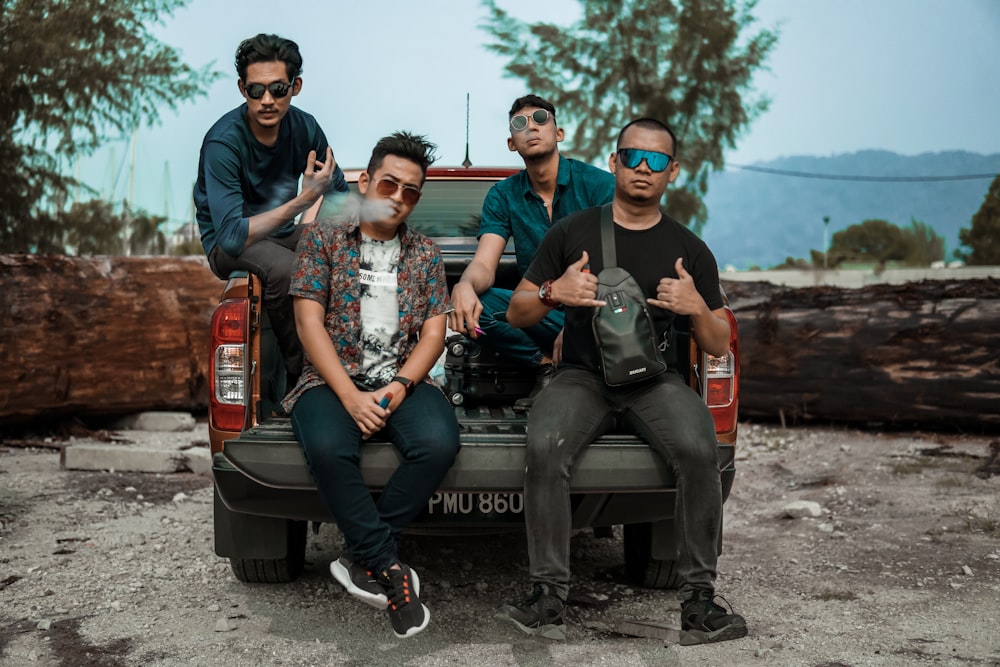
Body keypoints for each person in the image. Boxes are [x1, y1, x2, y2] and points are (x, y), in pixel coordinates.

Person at [496, 118, 747, 645]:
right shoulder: (572, 233)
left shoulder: (690, 248)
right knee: (545, 444)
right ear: (613, 162)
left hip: (656, 381)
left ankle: (699, 604)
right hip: (582, 377)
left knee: (700, 450)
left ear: (672, 172)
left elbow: (719, 341)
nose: (642, 168)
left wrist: (697, 306)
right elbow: (517, 312)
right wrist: (553, 292)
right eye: (632, 156)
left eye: (656, 161)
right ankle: (547, 598)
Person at [281, 131, 459, 639]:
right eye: (389, 184)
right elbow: (308, 323)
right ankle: (387, 566)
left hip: (400, 378)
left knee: (439, 442)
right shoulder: (323, 239)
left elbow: (433, 332)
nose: (399, 198)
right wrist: (350, 397)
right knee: (329, 448)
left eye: (411, 192)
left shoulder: (425, 253)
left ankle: (361, 557)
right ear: (365, 182)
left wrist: (401, 387)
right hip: (330, 379)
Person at [193, 33, 349, 389]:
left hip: (279, 235)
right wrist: (302, 202)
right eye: (255, 90)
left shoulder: (304, 126)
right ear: (241, 88)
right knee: (289, 270)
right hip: (227, 244)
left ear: (295, 86)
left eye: (278, 89)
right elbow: (231, 236)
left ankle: (354, 356)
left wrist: (343, 239)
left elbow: (338, 192)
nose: (266, 100)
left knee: (342, 251)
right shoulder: (223, 142)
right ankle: (302, 373)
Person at [448, 94, 614, 405]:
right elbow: (485, 263)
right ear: (512, 143)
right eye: (520, 124)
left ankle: (585, 375)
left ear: (558, 133)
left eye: (540, 119)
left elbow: (620, 264)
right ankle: (547, 368)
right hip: (541, 306)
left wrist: (579, 324)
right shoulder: (503, 195)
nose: (531, 128)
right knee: (480, 302)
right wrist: (464, 285)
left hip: (599, 310)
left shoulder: (599, 185)